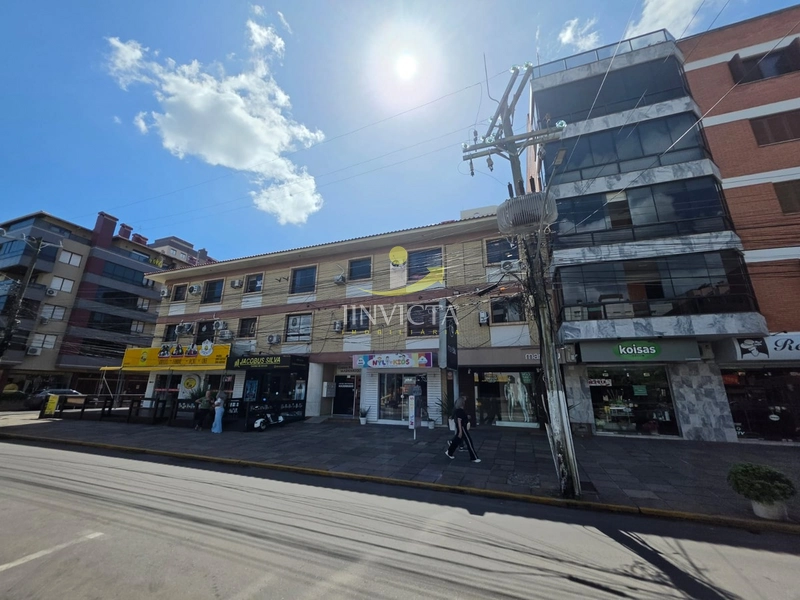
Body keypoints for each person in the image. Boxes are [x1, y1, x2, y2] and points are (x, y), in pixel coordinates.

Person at [445, 396, 480, 463]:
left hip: (461, 428)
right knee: (469, 442)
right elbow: (459, 421)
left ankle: (449, 452)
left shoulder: (459, 411)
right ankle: (474, 457)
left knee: (457, 440)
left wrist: (466, 417)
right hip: (462, 428)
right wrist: (461, 431)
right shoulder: (460, 411)